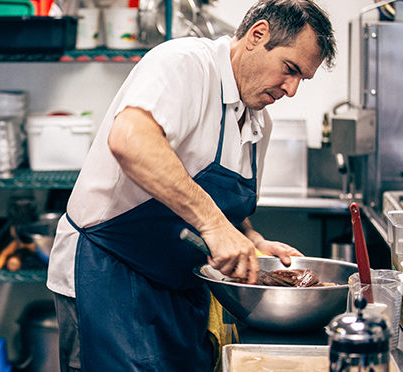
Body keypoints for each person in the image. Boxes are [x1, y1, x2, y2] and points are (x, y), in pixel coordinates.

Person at [46, 0, 337, 371]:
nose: (292, 89)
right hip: (107, 278)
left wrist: (252, 240)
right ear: (257, 35)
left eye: (302, 79)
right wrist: (215, 227)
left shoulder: (257, 122)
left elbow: (222, 205)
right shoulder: (186, 63)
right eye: (290, 69)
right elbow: (130, 140)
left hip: (180, 292)